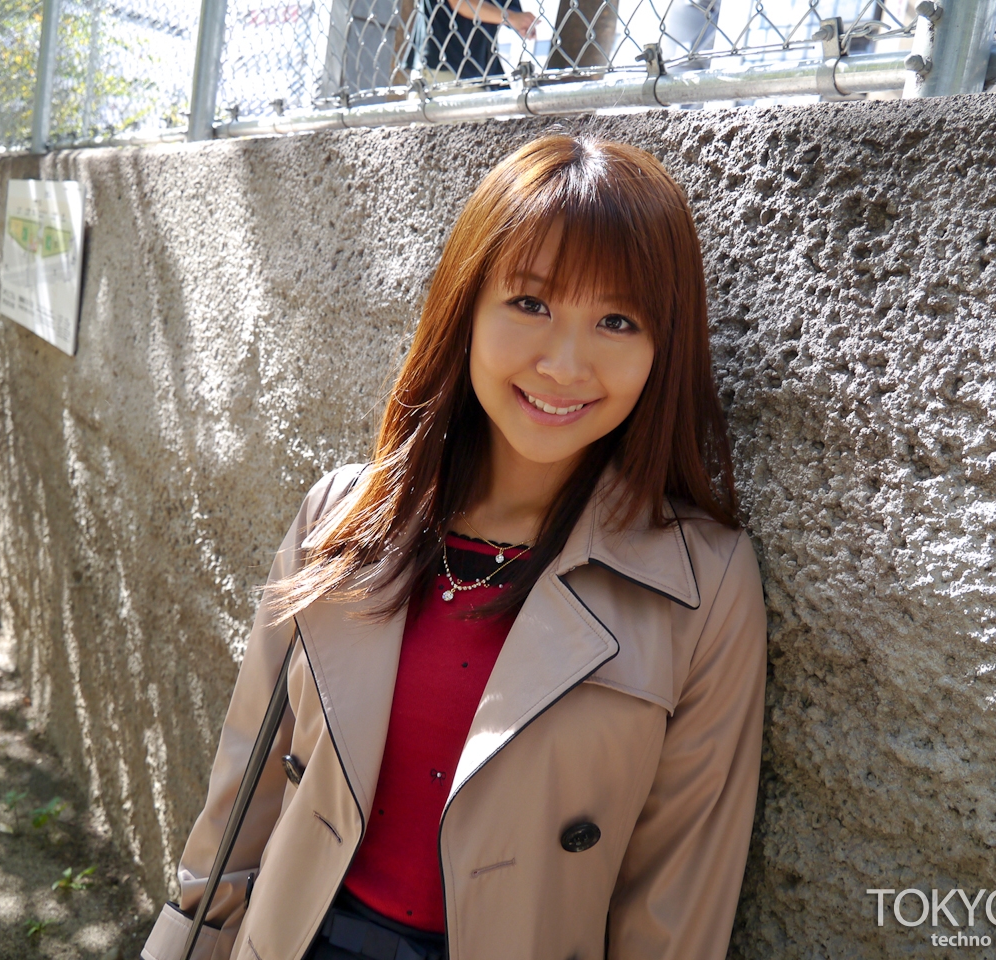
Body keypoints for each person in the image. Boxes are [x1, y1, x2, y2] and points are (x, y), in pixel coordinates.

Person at [141, 134, 767, 960]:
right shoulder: (343, 514)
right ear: (465, 306)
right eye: (531, 304)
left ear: (666, 347)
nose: (565, 364)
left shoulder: (703, 583)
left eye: (617, 321)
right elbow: (244, 786)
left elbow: (678, 899)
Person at [421, 0, 537, 83]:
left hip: (485, 68)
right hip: (445, 67)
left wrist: (521, 21)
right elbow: (460, 3)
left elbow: (512, 9)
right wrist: (510, 17)